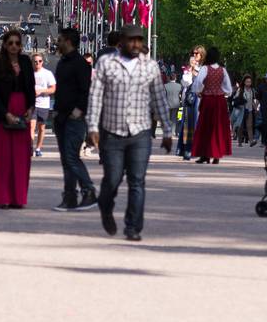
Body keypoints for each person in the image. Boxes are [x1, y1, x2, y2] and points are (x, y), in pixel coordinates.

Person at [87, 25, 175, 242]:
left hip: (140, 132)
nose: (135, 44)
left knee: (137, 181)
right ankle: (105, 207)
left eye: (139, 40)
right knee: (113, 179)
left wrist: (166, 130)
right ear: (121, 43)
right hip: (112, 132)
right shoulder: (107, 64)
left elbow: (159, 99)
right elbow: (96, 97)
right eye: (131, 40)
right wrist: (92, 128)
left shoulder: (150, 67)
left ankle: (133, 226)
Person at [0, 30, 36, 208]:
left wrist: (31, 108)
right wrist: (6, 113)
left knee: (21, 160)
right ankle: (3, 198)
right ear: (5, 45)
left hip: (23, 112)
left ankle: (18, 198)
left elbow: (31, 88)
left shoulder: (25, 63)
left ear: (21, 46)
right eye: (10, 43)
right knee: (2, 160)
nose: (14, 46)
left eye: (17, 43)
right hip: (2, 114)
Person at [51, 27, 96, 212]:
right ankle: (69, 196)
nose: (57, 42)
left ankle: (89, 190)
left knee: (71, 157)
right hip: (61, 116)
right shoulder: (62, 62)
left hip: (74, 118)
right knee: (66, 159)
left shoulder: (80, 64)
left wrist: (79, 110)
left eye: (60, 39)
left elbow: (86, 90)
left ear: (68, 41)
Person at [190, 46, 234, 165]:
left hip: (208, 100)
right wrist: (223, 92)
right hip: (220, 101)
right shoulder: (222, 70)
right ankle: (216, 155)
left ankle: (205, 155)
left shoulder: (205, 68)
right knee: (218, 128)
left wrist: (199, 91)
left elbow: (198, 82)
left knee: (205, 127)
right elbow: (228, 88)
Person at [177, 45, 202, 159]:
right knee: (188, 124)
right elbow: (185, 82)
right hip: (190, 99)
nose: (194, 55)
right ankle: (187, 149)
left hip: (201, 99)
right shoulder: (188, 69)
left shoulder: (204, 69)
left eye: (197, 53)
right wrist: (191, 70)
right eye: (193, 53)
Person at [31, 51, 56, 157]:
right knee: (31, 127)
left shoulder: (47, 74)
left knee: (41, 128)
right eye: (35, 61)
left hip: (44, 105)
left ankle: (38, 148)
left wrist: (41, 91)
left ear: (42, 62)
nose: (37, 63)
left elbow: (53, 89)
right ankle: (30, 147)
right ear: (32, 62)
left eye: (39, 61)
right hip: (31, 105)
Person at [233, 74, 256, 145]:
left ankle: (251, 141)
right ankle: (240, 141)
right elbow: (236, 99)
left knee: (250, 126)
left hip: (249, 110)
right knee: (241, 126)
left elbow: (253, 100)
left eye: (250, 82)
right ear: (244, 82)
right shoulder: (240, 90)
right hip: (241, 110)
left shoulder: (252, 90)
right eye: (247, 82)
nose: (248, 83)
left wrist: (255, 108)